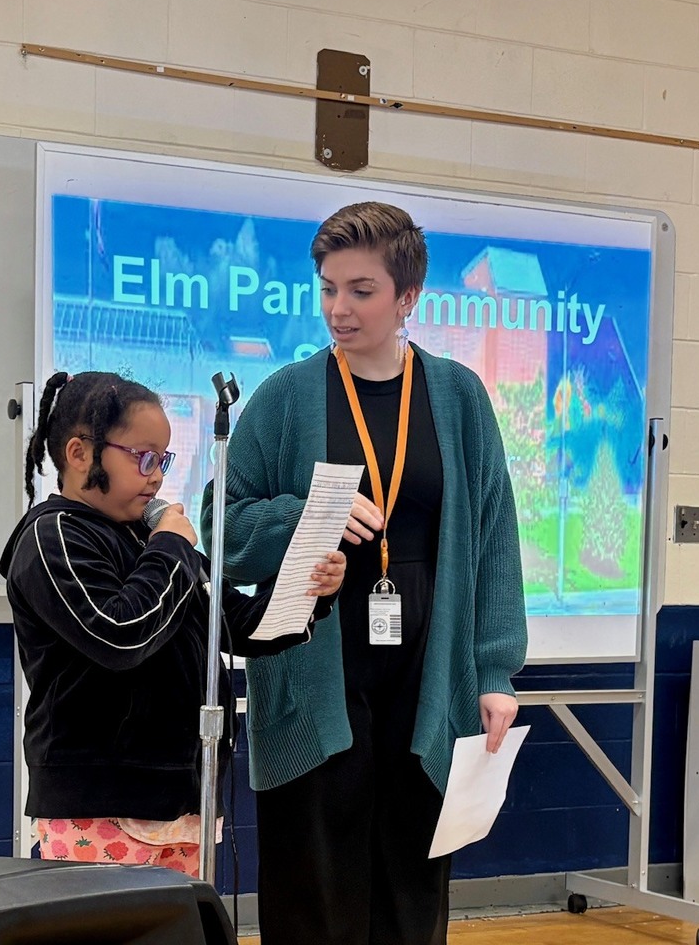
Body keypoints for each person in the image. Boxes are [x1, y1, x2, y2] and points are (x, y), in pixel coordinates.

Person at [201, 201, 528, 944]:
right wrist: (300, 515)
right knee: (316, 888)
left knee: (412, 888)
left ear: (407, 297)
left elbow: (495, 537)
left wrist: (495, 672)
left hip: (426, 674)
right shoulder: (286, 397)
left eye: (360, 290)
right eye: (327, 288)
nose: (338, 309)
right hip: (318, 669)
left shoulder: (458, 397)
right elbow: (221, 527)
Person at [0, 370, 346, 878]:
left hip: (181, 793)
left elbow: (240, 626)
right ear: (79, 455)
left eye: (162, 459)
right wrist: (171, 547)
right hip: (103, 803)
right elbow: (119, 635)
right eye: (143, 458)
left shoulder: (153, 539)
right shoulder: (53, 539)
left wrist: (309, 590)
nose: (156, 476)